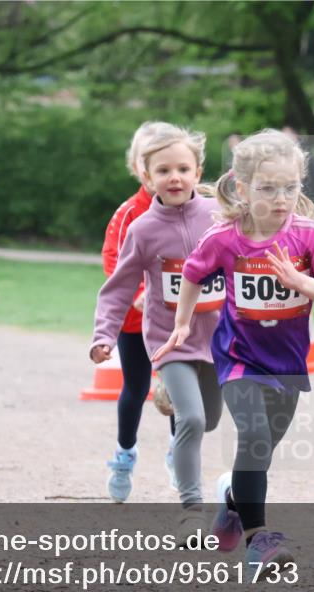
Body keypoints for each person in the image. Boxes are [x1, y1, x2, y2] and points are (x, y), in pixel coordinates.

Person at [153, 129, 314, 573]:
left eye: (291, 187)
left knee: (260, 452)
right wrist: (182, 323)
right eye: (267, 188)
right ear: (242, 188)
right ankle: (260, 541)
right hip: (238, 357)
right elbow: (193, 274)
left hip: (288, 363)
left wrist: (301, 283)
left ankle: (232, 503)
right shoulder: (226, 238)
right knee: (255, 437)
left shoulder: (308, 235)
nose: (281, 198)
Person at [90, 123, 224, 546]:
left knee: (210, 420)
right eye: (163, 170)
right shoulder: (142, 229)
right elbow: (119, 286)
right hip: (169, 341)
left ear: (198, 171)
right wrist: (104, 334)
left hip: (220, 339)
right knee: (193, 418)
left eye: (183, 168)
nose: (175, 177)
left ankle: (180, 411)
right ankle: (191, 510)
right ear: (147, 178)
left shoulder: (219, 216)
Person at [101, 121, 179, 490]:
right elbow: (113, 261)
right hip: (135, 322)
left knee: (181, 390)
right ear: (139, 168)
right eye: (153, 162)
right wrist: (135, 297)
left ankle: (181, 454)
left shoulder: (191, 210)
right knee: (136, 386)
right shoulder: (129, 213)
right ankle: (124, 453)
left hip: (178, 320)